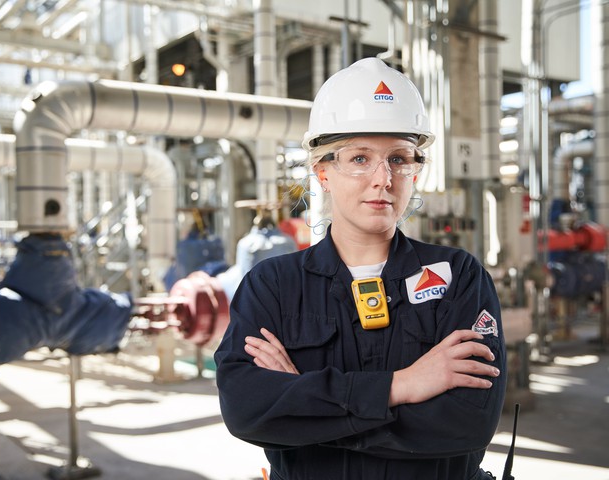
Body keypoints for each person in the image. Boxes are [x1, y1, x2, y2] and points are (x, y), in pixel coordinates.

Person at [214, 57, 506, 480]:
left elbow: (468, 422)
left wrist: (304, 407)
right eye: (359, 158)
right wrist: (401, 386)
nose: (383, 178)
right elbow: (247, 410)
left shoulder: (458, 276)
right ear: (323, 172)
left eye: (400, 159)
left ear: (414, 171)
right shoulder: (273, 285)